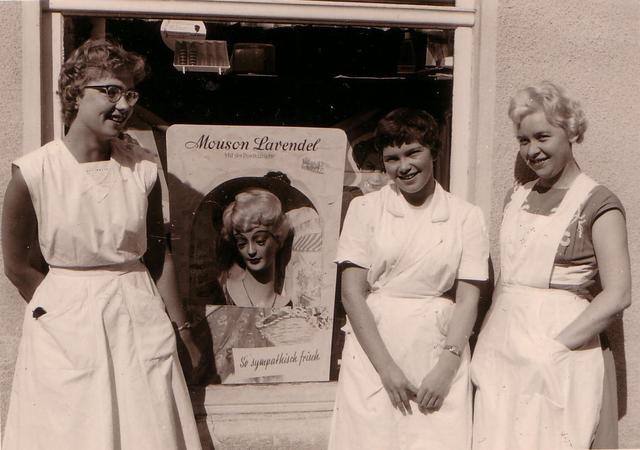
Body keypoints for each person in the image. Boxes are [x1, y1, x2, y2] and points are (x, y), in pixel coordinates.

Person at [1, 39, 202, 450]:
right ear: (75, 95)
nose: (123, 104)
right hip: (66, 324)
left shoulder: (142, 167)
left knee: (146, 431)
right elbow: (17, 264)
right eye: (109, 91)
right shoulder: (35, 172)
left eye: (130, 93)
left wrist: (182, 329)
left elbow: (158, 253)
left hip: (136, 311)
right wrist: (61, 309)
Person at [471, 81, 631, 450]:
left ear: (571, 131)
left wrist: (554, 348)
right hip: (503, 349)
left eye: (542, 136)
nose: (532, 150)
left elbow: (619, 294)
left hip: (561, 352)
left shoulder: (597, 202)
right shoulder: (517, 196)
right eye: (523, 140)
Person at [328, 108, 489, 449]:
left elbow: (468, 299)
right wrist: (387, 370)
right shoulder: (365, 210)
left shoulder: (466, 216)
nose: (404, 166)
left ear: (433, 151)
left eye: (413, 152)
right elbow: (351, 296)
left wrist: (446, 367)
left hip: (437, 347)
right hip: (375, 350)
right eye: (392, 158)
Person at [219, 187, 293, 308]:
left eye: (260, 241)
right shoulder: (223, 292)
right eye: (242, 243)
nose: (251, 251)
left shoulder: (286, 305)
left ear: (278, 238)